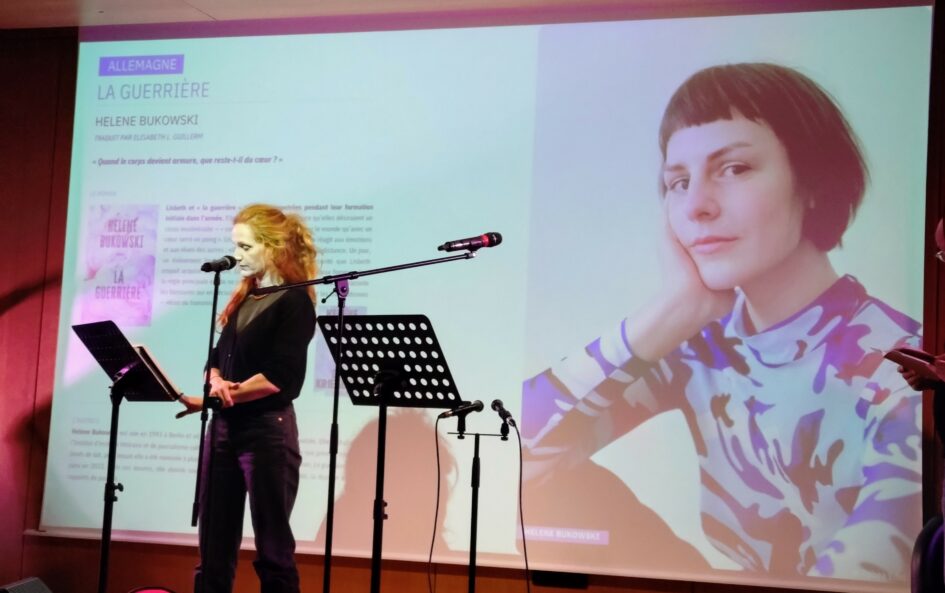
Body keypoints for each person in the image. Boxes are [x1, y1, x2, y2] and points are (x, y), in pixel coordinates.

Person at [522, 63, 922, 582]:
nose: (696, 206)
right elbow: (509, 455)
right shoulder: (700, 348)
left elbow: (868, 575)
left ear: (813, 183)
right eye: (678, 182)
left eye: (733, 168)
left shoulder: (903, 369)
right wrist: (674, 310)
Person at [178, 204, 318, 593]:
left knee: (272, 547)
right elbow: (215, 359)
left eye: (245, 246)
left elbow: (280, 377)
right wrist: (214, 382)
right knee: (214, 544)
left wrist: (225, 395)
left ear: (274, 248)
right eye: (235, 246)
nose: (236, 255)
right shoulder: (246, 295)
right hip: (224, 429)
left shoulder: (294, 301)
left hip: (267, 432)